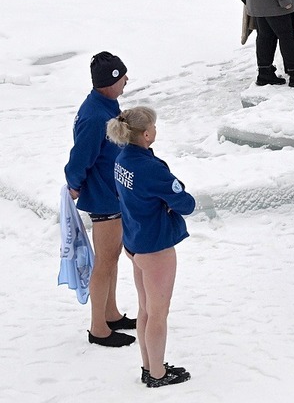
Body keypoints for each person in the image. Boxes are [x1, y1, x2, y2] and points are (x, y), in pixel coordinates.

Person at [108, 106, 195, 388]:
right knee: (158, 312)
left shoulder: (122, 159)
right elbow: (186, 203)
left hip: (134, 241)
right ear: (146, 134)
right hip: (155, 246)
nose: (156, 130)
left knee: (145, 309)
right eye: (154, 127)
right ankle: (158, 374)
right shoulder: (149, 168)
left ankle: (150, 366)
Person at [65, 52, 136, 348]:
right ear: (110, 81)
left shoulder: (106, 103)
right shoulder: (95, 115)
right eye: (122, 77)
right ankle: (98, 329)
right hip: (103, 196)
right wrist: (74, 184)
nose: (126, 81)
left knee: (112, 257)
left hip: (112, 191)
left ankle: (111, 313)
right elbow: (81, 156)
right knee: (104, 261)